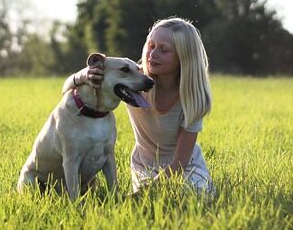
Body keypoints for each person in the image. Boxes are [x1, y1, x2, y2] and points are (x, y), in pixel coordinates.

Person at [62, 17, 214, 195]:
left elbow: (179, 164)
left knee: (191, 194)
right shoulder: (132, 79)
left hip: (186, 167)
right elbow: (67, 89)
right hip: (145, 166)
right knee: (152, 201)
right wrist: (82, 75)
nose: (153, 54)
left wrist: (140, 194)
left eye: (164, 50)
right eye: (151, 46)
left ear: (183, 57)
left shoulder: (193, 97)